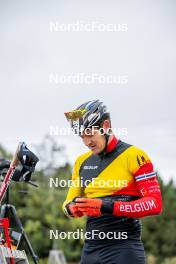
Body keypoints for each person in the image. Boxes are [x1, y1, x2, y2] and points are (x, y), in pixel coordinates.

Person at [63, 100, 162, 264]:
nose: (87, 142)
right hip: (90, 250)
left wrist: (106, 206)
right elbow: (66, 203)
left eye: (90, 133)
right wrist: (71, 208)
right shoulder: (81, 162)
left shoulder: (135, 155)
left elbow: (155, 204)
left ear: (106, 125)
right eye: (82, 137)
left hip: (124, 248)